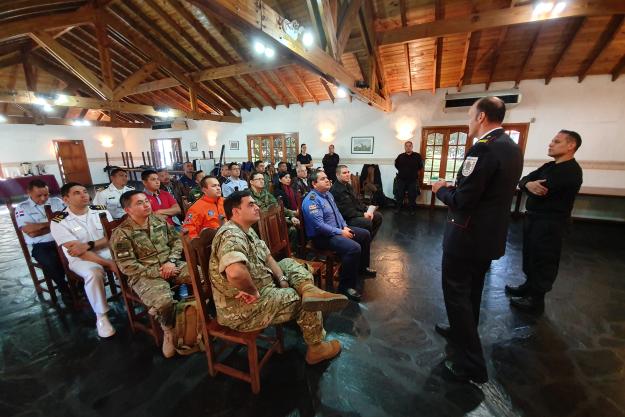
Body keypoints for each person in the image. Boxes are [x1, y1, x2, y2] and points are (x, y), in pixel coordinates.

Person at [431, 97, 523, 384]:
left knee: (456, 294)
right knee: (472, 290)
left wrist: (440, 190)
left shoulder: (483, 149)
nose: (469, 121)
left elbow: (463, 201)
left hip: (467, 236)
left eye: (471, 115)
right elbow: (488, 191)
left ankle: (472, 364)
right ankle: (461, 330)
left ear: (482, 116)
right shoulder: (511, 147)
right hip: (489, 235)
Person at [209, 190, 348, 365]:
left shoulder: (246, 230)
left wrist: (282, 279)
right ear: (236, 212)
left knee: (288, 263)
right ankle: (316, 348)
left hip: (263, 284)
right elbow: (235, 272)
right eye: (251, 204)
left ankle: (309, 290)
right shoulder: (231, 234)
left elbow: (267, 257)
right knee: (301, 301)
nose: (257, 207)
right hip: (241, 308)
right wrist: (252, 291)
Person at [506, 130, 584, 313]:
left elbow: (541, 191)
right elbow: (525, 179)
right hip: (535, 219)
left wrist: (528, 185)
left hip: (551, 223)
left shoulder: (570, 171)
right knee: (531, 255)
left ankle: (536, 301)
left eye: (556, 141)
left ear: (571, 145)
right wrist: (527, 184)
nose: (550, 144)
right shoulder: (550, 166)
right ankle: (528, 287)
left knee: (544, 260)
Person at [111, 190, 190, 358]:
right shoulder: (121, 234)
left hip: (171, 265)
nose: (146, 204)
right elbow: (128, 267)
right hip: (143, 275)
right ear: (128, 210)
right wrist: (158, 271)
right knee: (164, 301)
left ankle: (193, 317)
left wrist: (171, 261)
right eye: (139, 203)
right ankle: (168, 331)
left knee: (203, 276)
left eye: (146, 201)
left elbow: (176, 241)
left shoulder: (159, 220)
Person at [50, 182, 119, 338]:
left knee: (129, 258)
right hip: (81, 260)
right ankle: (101, 317)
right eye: (77, 193)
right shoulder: (59, 221)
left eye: (84, 191)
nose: (84, 195)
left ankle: (138, 296)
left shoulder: (100, 211)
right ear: (65, 199)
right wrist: (108, 264)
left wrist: (90, 245)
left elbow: (111, 237)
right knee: (94, 273)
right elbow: (78, 252)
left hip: (107, 251)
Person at [302, 170, 376, 302]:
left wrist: (344, 226)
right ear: (314, 184)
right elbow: (319, 226)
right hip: (322, 237)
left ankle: (362, 268)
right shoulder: (311, 200)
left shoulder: (328, 194)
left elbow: (338, 213)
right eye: (322, 179)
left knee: (364, 234)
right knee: (353, 248)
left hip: (337, 229)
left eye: (327, 178)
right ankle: (345, 287)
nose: (327, 180)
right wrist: (341, 232)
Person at [15, 179, 69, 296]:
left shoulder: (56, 202)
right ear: (29, 192)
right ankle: (64, 288)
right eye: (39, 195)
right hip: (42, 246)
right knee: (51, 261)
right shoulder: (23, 208)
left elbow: (69, 220)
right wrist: (54, 222)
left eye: (46, 194)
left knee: (79, 253)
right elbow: (30, 231)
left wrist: (40, 227)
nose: (44, 198)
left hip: (63, 239)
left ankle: (79, 283)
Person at [249, 172, 300, 250]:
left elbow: (277, 205)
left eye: (262, 179)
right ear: (251, 182)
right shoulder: (248, 195)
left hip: (271, 223)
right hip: (258, 226)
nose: (262, 181)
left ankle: (289, 252)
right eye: (259, 179)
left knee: (292, 230)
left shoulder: (265, 193)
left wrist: (291, 216)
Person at [331, 165, 383, 239]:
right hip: (346, 219)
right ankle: (363, 240)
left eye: (348, 172)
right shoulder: (336, 190)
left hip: (355, 213)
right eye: (344, 173)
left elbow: (357, 201)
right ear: (337, 175)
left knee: (378, 216)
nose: (347, 174)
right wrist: (363, 214)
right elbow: (346, 212)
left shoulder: (348, 185)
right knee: (367, 222)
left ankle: (368, 239)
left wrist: (366, 209)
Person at [394, 141, 424, 214]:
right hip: (401, 179)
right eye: (406, 146)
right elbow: (396, 165)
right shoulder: (400, 156)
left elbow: (420, 166)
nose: (408, 147)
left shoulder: (417, 156)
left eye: (409, 146)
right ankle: (398, 209)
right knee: (400, 195)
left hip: (412, 180)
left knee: (412, 196)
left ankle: (412, 210)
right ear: (404, 147)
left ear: (412, 147)